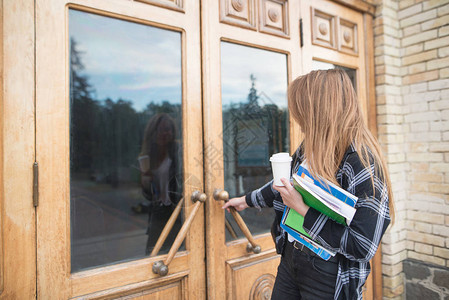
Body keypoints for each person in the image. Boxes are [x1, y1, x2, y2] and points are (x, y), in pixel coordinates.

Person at [223, 69, 393, 300]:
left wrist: (302, 209)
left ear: (318, 111)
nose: (296, 117)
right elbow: (284, 186)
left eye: (300, 110)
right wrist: (245, 200)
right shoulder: (309, 147)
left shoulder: (362, 164)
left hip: (330, 274)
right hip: (292, 257)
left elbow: (362, 246)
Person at [134, 113, 182, 255]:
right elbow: (148, 195)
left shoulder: (178, 151)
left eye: (167, 129)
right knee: (153, 255)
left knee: (176, 255)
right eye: (159, 129)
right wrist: (145, 181)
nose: (164, 133)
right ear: (152, 133)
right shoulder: (148, 155)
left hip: (177, 211)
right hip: (158, 212)